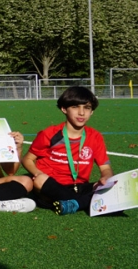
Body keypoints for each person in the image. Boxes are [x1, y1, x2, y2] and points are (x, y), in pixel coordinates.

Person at [22, 86, 113, 215]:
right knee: (39, 180)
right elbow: (28, 159)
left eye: (86, 108)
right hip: (51, 187)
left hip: (79, 186)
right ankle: (85, 203)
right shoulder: (50, 134)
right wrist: (37, 173)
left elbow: (105, 167)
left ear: (92, 111)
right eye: (75, 107)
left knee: (115, 189)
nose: (81, 113)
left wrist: (106, 177)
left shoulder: (95, 136)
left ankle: (75, 203)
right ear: (64, 109)